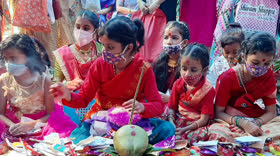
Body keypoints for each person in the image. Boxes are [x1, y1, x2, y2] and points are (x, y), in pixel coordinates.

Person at [50, 16, 175, 144]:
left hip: (132, 123)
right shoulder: (99, 65)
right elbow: (84, 99)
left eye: (110, 47)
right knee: (77, 138)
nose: (104, 51)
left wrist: (141, 107)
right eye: (103, 46)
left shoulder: (144, 68)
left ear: (129, 48)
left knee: (167, 129)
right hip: (102, 120)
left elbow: (158, 105)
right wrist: (67, 95)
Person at [0, 34, 77, 142]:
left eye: (13, 59)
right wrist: (13, 126)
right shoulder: (3, 79)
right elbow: (1, 114)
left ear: (29, 57)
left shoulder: (44, 80)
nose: (9, 64)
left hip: (41, 124)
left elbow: (51, 114)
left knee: (57, 142)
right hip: (12, 123)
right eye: (6, 59)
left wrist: (31, 125)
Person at [209, 32, 279, 143]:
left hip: (253, 116)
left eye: (267, 64)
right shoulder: (228, 78)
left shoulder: (268, 76)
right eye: (255, 62)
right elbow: (218, 112)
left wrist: (254, 123)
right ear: (243, 56)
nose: (261, 68)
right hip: (227, 118)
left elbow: (271, 112)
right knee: (221, 135)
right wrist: (243, 123)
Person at [168, 43, 215, 145]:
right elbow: (171, 107)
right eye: (184, 69)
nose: (187, 74)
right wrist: (171, 123)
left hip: (196, 125)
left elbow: (204, 120)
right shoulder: (178, 84)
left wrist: (185, 129)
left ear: (205, 70)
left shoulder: (208, 90)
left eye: (193, 70)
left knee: (198, 137)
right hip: (177, 120)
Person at [154, 21, 190, 107]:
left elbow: (191, 99)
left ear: (184, 43)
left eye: (174, 38)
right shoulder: (159, 63)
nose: (168, 42)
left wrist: (170, 99)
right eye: (166, 37)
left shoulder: (188, 67)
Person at [207, 23, 245, 88]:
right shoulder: (219, 63)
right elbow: (210, 81)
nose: (230, 56)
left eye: (235, 52)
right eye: (227, 52)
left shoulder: (246, 64)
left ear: (242, 49)